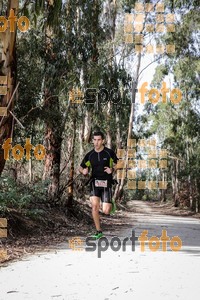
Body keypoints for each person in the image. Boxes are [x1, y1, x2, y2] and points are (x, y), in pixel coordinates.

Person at [79, 131, 118, 239]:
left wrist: (113, 169)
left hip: (106, 182)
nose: (96, 142)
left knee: (106, 211)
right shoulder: (90, 155)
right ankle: (98, 231)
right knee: (95, 207)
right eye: (95, 140)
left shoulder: (109, 153)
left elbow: (120, 163)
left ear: (103, 141)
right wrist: (83, 172)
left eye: (99, 140)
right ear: (92, 141)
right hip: (94, 182)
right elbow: (80, 167)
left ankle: (110, 202)